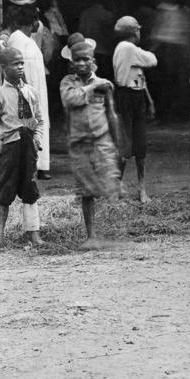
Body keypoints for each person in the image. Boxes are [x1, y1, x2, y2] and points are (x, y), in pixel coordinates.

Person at [60, 39, 121, 247]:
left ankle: (115, 231)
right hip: (79, 142)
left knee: (109, 182)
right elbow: (71, 100)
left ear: (93, 61)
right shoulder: (67, 83)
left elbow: (111, 114)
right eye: (77, 60)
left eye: (86, 59)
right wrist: (93, 87)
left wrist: (117, 142)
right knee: (86, 191)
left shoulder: (104, 85)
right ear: (72, 63)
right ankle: (91, 235)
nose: (81, 64)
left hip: (101, 140)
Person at [0, 47, 43, 247]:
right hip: (9, 146)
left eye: (21, 63)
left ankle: (33, 234)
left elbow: (40, 120)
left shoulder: (31, 91)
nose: (19, 67)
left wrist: (37, 140)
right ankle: (0, 236)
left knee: (30, 188)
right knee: (4, 191)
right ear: (4, 67)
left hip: (28, 146)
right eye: (15, 64)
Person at [112, 16, 157, 202]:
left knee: (139, 144)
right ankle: (117, 189)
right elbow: (152, 60)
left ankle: (140, 189)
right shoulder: (128, 49)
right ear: (134, 32)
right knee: (126, 145)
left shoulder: (128, 51)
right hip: (127, 96)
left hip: (136, 94)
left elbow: (140, 75)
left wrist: (149, 100)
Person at [5, 3, 51, 180]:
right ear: (31, 22)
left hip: (38, 88)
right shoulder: (16, 38)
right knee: (27, 124)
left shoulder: (30, 40)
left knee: (39, 121)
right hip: (26, 89)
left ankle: (41, 164)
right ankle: (29, 165)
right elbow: (15, 65)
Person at [148, 0, 190, 121]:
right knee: (169, 83)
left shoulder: (175, 12)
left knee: (171, 83)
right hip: (168, 49)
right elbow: (157, 32)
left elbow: (158, 32)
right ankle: (167, 114)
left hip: (172, 50)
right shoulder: (169, 11)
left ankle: (171, 114)